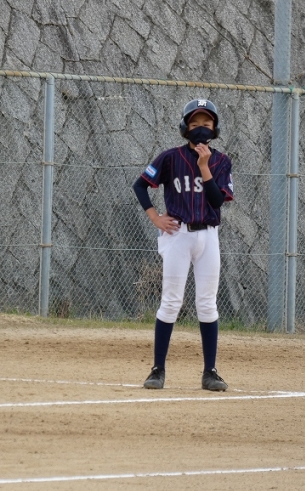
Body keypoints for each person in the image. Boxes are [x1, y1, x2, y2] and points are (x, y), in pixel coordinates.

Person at [132, 98, 234, 391]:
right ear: (184, 128)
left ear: (215, 128)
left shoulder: (221, 161)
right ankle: (158, 370)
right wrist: (155, 217)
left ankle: (210, 372)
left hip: (208, 235)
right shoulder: (170, 158)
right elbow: (141, 185)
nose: (201, 128)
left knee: (207, 302)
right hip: (178, 233)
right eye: (195, 123)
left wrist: (204, 166)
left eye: (207, 123)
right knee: (171, 300)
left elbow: (217, 201)